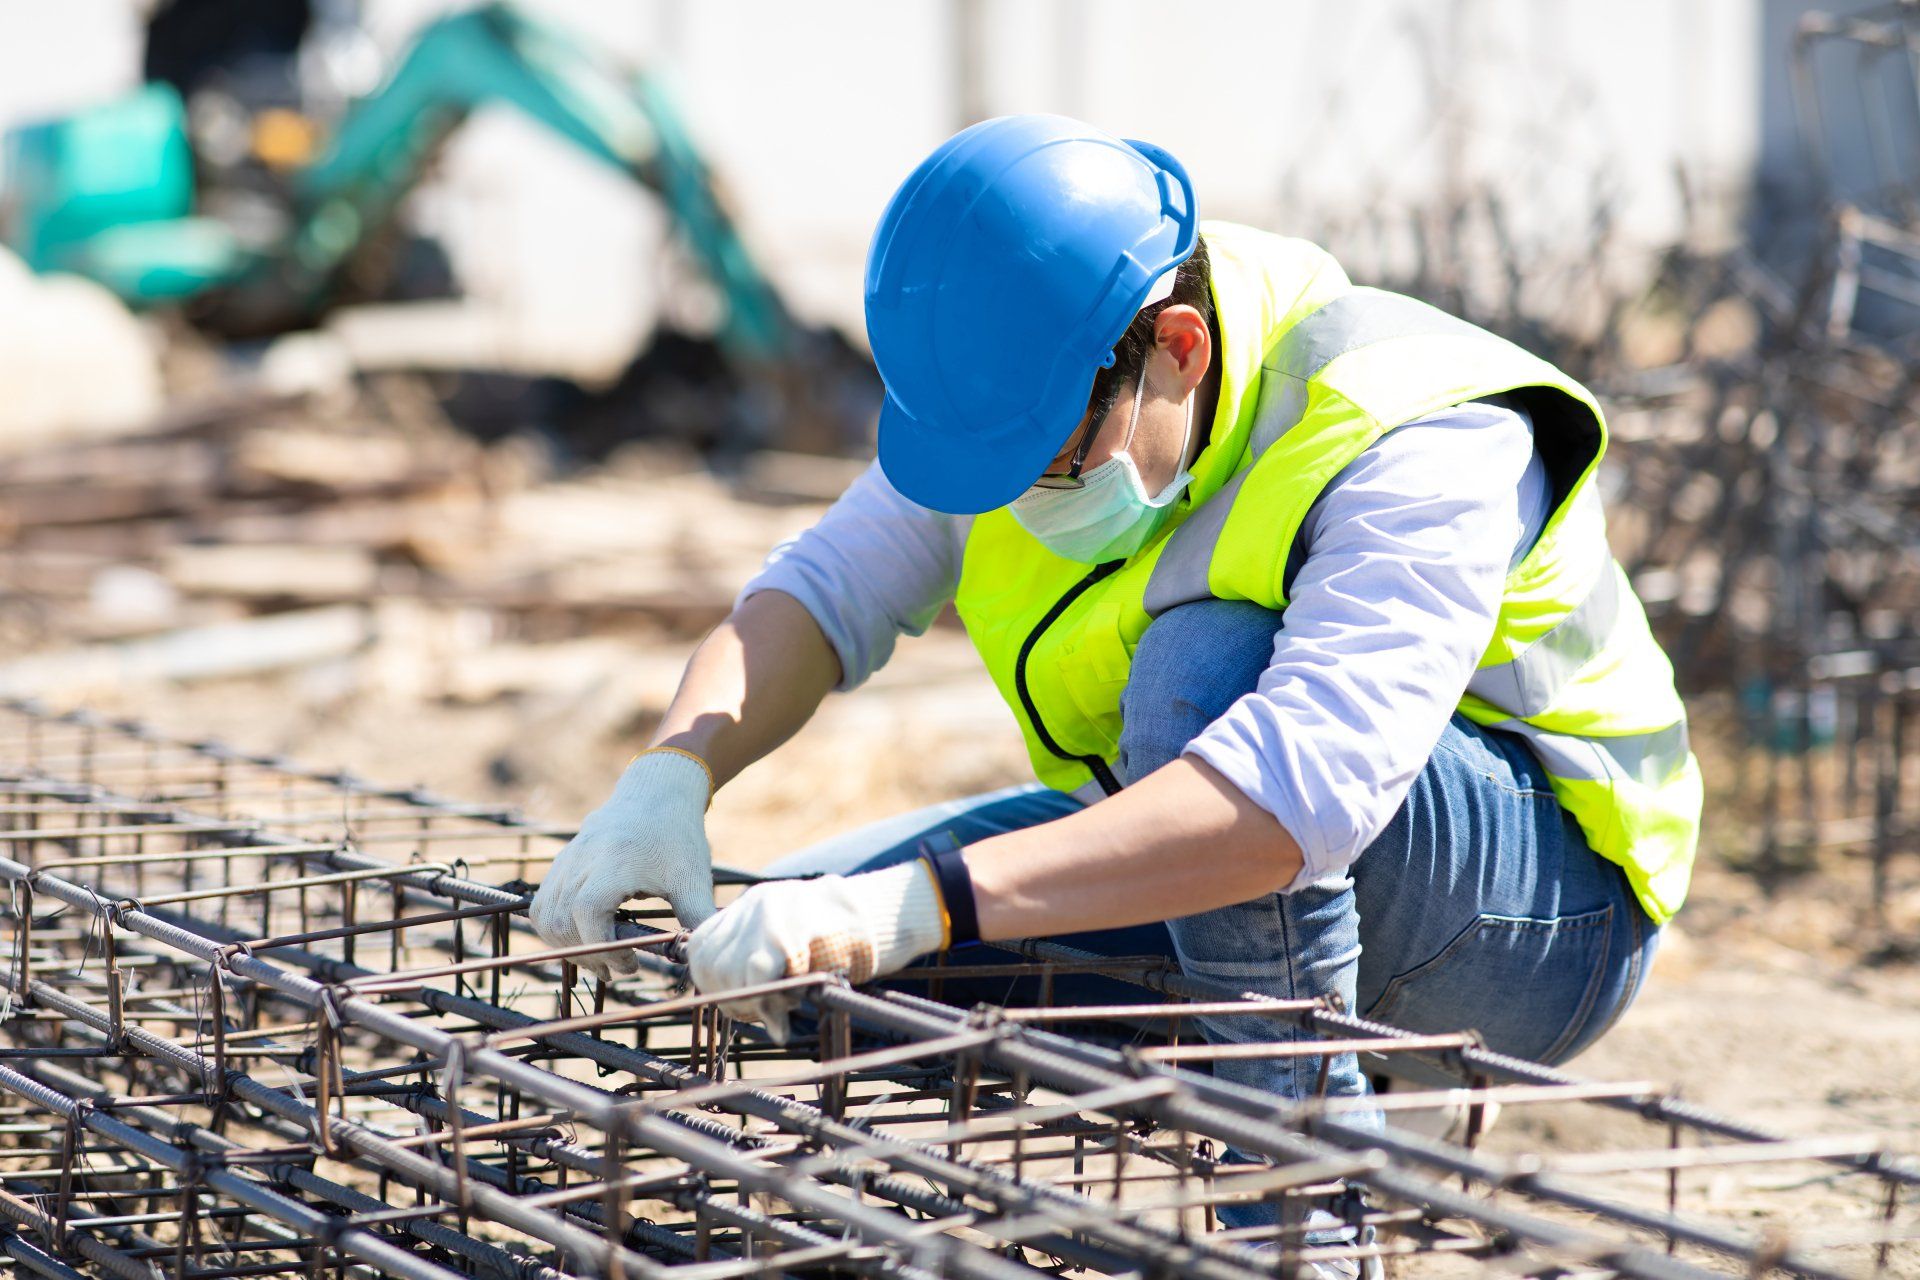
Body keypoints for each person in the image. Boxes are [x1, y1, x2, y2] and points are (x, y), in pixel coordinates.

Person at [529, 114, 1700, 1271]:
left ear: (1177, 350)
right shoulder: (1033, 377)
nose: (1017, 498)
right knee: (806, 943)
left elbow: (1291, 800)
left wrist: (928, 900)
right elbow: (824, 592)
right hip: (1242, 850)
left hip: (1543, 916)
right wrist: (671, 773)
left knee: (1198, 680)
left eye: (1049, 462)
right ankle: (1353, 1071)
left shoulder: (1415, 429)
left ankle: (1303, 1224)